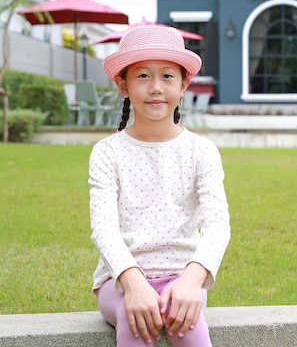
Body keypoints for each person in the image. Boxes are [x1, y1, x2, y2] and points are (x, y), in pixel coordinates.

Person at [88, 26, 231, 347]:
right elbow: (104, 228)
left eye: (167, 76)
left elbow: (217, 224)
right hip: (120, 280)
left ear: (184, 85)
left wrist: (192, 281)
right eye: (142, 76)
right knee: (134, 315)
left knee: (187, 323)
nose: (155, 88)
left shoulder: (202, 151)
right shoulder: (107, 152)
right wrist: (134, 283)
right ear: (122, 85)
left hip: (183, 278)